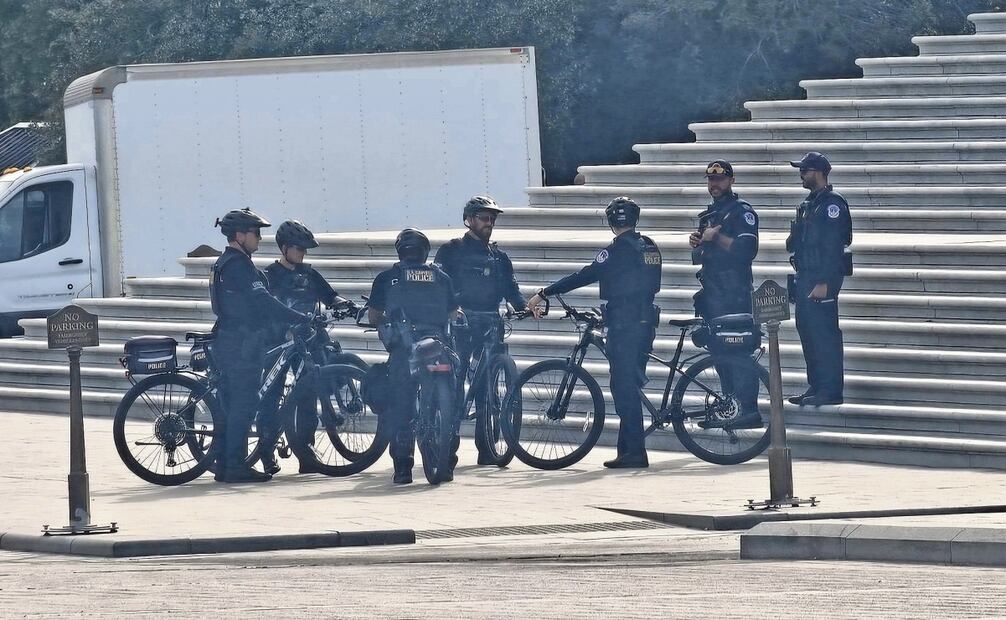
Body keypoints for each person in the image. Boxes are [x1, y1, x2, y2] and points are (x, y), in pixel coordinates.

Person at [526, 197, 661, 468]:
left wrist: (545, 292)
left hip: (624, 323)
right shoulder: (649, 246)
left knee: (624, 388)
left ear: (612, 223)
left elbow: (585, 275)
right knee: (629, 384)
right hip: (645, 320)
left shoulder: (616, 251)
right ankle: (628, 450)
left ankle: (635, 453)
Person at [209, 208, 308, 483]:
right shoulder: (239, 265)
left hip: (230, 338)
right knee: (243, 403)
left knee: (232, 404)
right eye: (255, 233)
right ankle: (234, 467)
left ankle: (226, 463)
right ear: (240, 235)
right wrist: (298, 316)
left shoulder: (225, 262)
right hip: (241, 342)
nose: (260, 238)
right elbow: (263, 300)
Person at [433, 196, 526, 465]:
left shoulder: (499, 256)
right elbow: (439, 285)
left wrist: (524, 307)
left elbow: (512, 290)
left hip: (491, 322)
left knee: (488, 388)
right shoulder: (451, 250)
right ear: (470, 220)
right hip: (462, 323)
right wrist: (451, 310)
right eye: (485, 218)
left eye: (493, 218)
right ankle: (446, 450)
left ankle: (487, 450)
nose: (490, 223)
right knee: (454, 382)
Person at [257, 220, 354, 475]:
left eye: (305, 250)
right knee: (272, 394)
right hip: (279, 342)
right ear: (285, 248)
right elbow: (266, 309)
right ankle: (265, 451)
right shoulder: (269, 275)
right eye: (299, 249)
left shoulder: (309, 274)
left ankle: (306, 450)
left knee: (310, 395)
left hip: (309, 343)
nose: (303, 254)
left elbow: (330, 296)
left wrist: (345, 304)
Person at [368, 228, 460, 484]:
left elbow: (374, 317)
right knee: (450, 402)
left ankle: (403, 469)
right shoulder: (441, 277)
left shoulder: (388, 278)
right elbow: (454, 314)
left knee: (401, 404)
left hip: (404, 350)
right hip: (439, 345)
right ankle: (447, 463)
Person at [688, 160, 762, 429]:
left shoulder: (742, 212)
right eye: (710, 180)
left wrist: (716, 238)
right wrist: (698, 243)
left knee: (738, 352)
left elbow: (747, 250)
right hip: (713, 294)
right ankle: (730, 408)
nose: (714, 184)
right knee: (719, 354)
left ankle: (749, 410)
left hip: (735, 294)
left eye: (719, 180)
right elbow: (701, 256)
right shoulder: (709, 215)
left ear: (731, 180)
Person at [786, 152, 853, 407]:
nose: (801, 175)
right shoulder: (809, 204)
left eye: (805, 170)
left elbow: (834, 245)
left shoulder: (832, 204)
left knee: (825, 335)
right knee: (809, 333)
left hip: (823, 277)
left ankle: (831, 389)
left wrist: (824, 281)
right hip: (805, 274)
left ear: (819, 172)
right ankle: (816, 386)